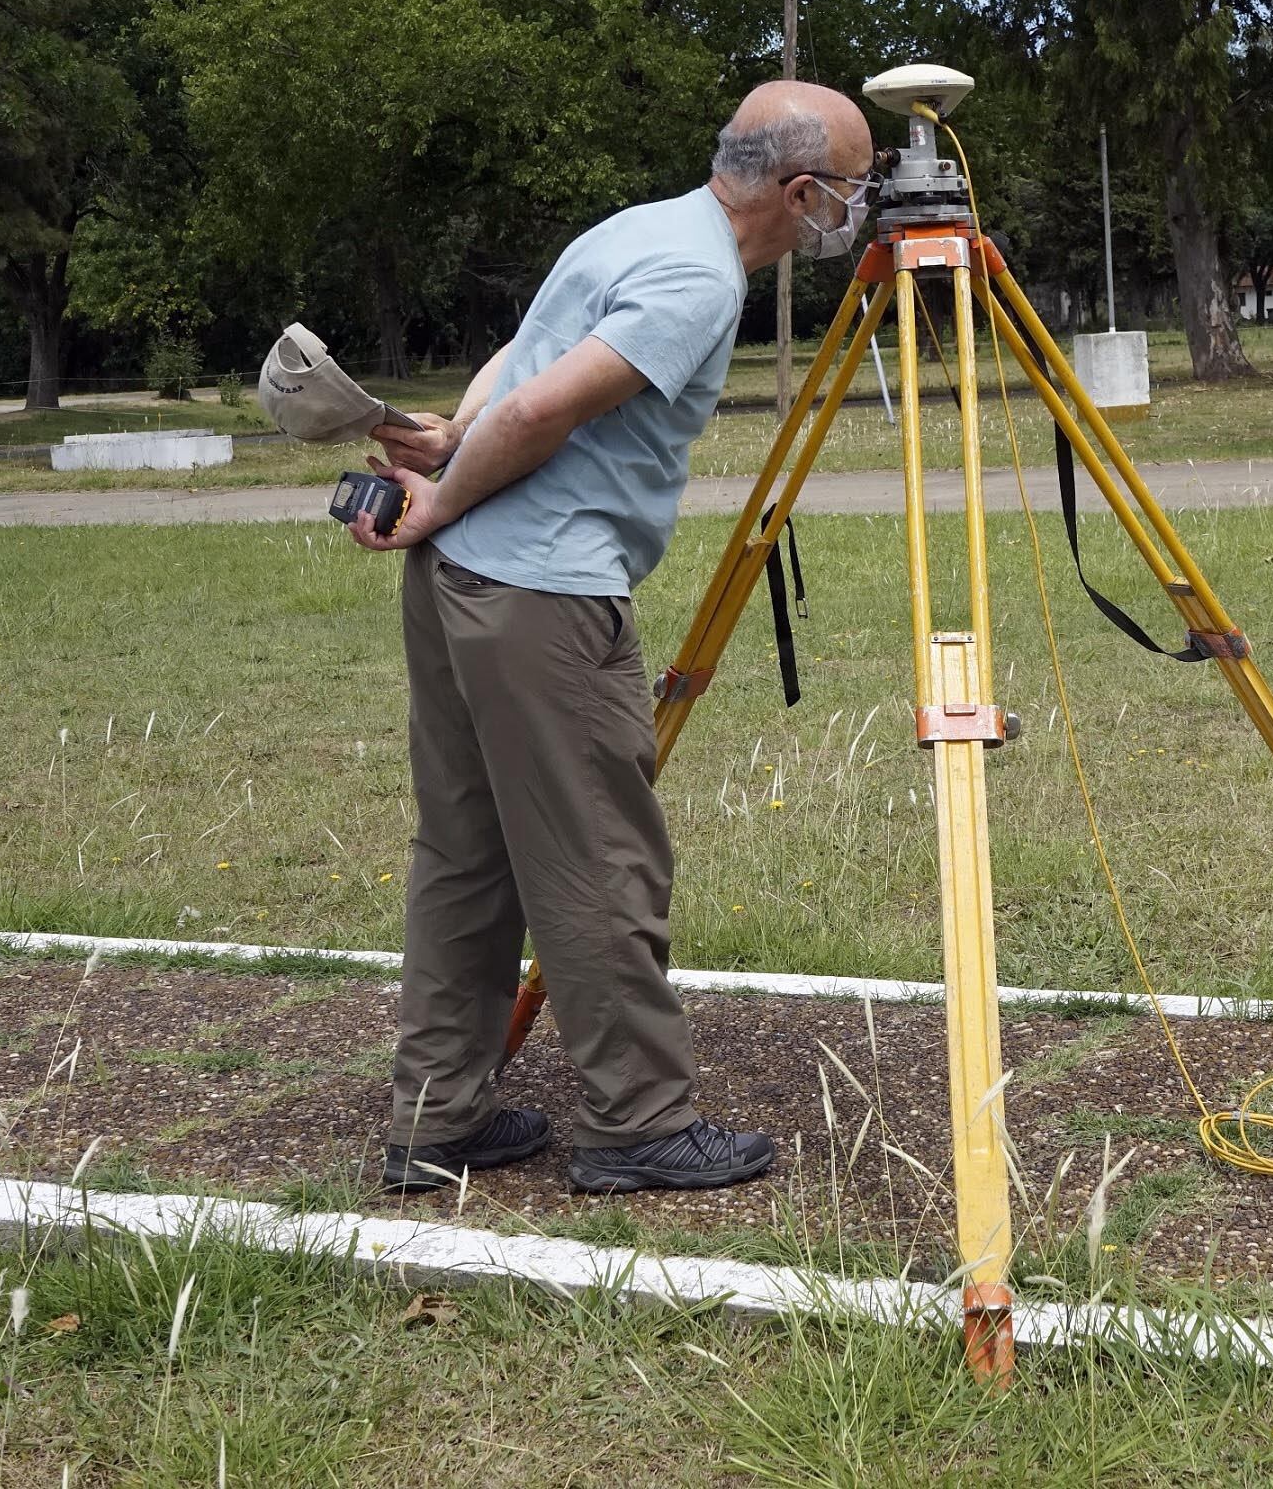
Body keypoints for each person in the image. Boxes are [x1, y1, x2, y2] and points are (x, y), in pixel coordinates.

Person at [345, 79, 878, 1194]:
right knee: (597, 861)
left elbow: (517, 360)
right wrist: (445, 490)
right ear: (798, 192)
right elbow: (541, 407)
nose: (856, 211)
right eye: (851, 189)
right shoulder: (699, 276)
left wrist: (449, 445)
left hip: (462, 582)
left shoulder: (639, 228)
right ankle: (636, 1122)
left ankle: (435, 1118)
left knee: (465, 856)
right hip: (539, 591)